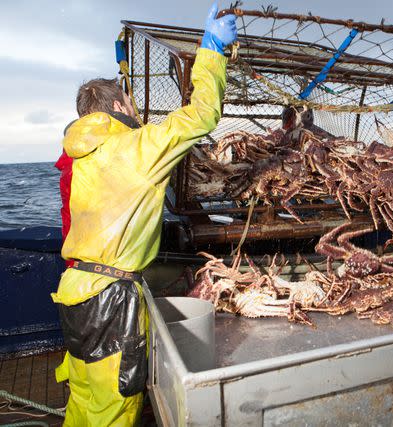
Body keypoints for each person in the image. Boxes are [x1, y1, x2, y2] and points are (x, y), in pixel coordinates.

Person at [51, 3, 236, 425]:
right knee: (114, 411)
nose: (136, 110)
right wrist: (211, 52)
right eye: (130, 103)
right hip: (112, 304)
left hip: (74, 289)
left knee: (83, 401)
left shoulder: (80, 156)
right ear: (119, 104)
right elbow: (202, 116)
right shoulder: (136, 148)